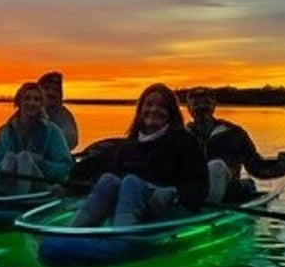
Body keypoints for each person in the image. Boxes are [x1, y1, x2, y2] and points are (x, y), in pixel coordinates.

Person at [70, 83, 209, 227]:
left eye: (162, 106)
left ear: (171, 112)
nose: (154, 110)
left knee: (131, 182)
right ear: (140, 109)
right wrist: (72, 185)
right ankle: (75, 230)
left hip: (166, 208)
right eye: (149, 104)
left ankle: (123, 235)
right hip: (130, 204)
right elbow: (105, 169)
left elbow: (199, 185)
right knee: (108, 180)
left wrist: (174, 193)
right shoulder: (130, 145)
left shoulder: (185, 142)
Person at [185, 87, 285, 203]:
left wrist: (283, 164)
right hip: (191, 191)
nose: (201, 108)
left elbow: (257, 168)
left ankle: (208, 204)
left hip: (228, 191)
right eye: (196, 104)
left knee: (216, 166)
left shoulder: (234, 133)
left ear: (214, 105)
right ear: (189, 109)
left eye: (205, 104)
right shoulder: (181, 135)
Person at [0, 81, 74, 194]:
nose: (32, 103)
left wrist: (41, 163)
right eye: (27, 98)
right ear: (19, 102)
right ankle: (3, 193)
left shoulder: (52, 131)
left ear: (41, 104)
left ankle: (21, 197)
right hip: (8, 181)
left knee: (24, 157)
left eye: (37, 100)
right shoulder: (5, 132)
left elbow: (65, 167)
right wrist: (14, 165)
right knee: (10, 157)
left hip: (40, 185)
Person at [38, 71, 79, 151]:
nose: (51, 93)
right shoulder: (26, 112)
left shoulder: (64, 115)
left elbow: (71, 139)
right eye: (46, 88)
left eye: (55, 89)